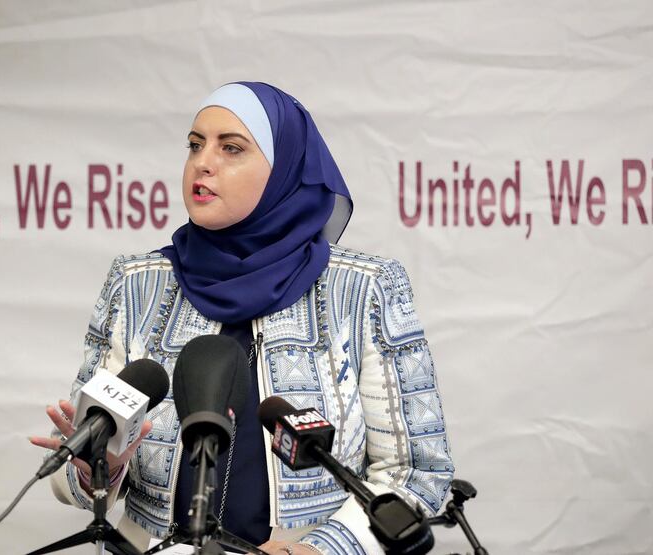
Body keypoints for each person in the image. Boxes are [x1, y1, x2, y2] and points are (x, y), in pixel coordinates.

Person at [30, 81, 454, 555]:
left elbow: (418, 473)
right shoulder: (136, 285)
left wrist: (315, 551)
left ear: (284, 171)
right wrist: (93, 466)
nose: (203, 162)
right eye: (195, 145)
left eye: (231, 148)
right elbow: (79, 462)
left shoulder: (362, 289)